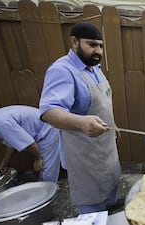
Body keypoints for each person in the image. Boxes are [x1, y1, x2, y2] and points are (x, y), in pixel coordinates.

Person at [39, 22, 121, 214]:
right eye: (91, 44)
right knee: (92, 203)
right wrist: (82, 122)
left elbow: (103, 102)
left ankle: (112, 207)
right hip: (85, 153)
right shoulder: (62, 70)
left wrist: (113, 123)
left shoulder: (94, 67)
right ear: (74, 42)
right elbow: (49, 111)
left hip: (106, 147)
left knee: (110, 187)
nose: (98, 50)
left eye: (100, 46)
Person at [0, 105, 64, 182]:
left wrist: (38, 159)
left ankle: (49, 190)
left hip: (47, 131)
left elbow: (29, 143)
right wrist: (3, 165)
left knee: (46, 172)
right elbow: (12, 144)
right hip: (43, 128)